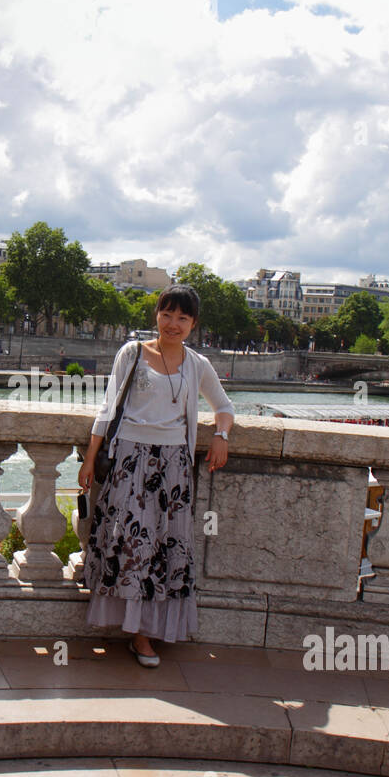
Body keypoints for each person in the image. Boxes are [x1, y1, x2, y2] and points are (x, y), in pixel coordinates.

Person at [77, 285, 234, 668]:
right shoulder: (131, 354)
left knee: (164, 546)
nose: (173, 324)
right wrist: (90, 458)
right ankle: (139, 634)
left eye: (182, 317)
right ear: (156, 315)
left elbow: (224, 406)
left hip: (174, 467)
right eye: (167, 314)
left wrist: (221, 436)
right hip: (130, 460)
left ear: (194, 324)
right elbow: (108, 407)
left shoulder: (198, 364)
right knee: (133, 543)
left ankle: (145, 630)